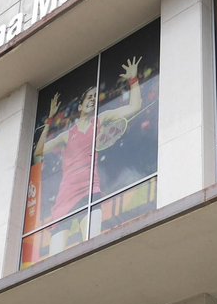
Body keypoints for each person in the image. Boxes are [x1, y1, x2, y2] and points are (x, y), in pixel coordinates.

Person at [33, 58, 149, 223]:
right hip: (65, 195)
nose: (93, 99)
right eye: (89, 97)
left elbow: (134, 106)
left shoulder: (101, 119)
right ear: (80, 106)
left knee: (93, 234)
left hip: (90, 189)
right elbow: (38, 151)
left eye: (95, 97)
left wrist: (133, 80)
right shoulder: (66, 135)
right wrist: (49, 120)